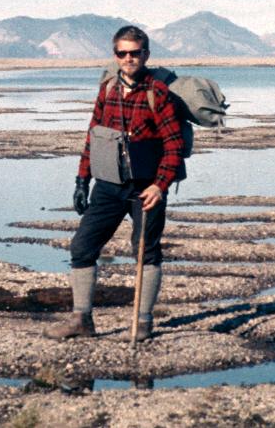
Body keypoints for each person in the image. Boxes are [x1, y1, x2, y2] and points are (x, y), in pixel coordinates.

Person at [44, 26, 184, 342]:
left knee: (146, 253)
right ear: (115, 55)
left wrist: (160, 186)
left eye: (135, 53)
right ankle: (82, 320)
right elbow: (94, 138)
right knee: (82, 247)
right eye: (123, 53)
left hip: (145, 189)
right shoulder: (107, 90)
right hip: (107, 185)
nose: (129, 58)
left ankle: (144, 324)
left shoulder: (157, 94)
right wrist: (82, 180)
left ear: (146, 54)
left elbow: (173, 146)